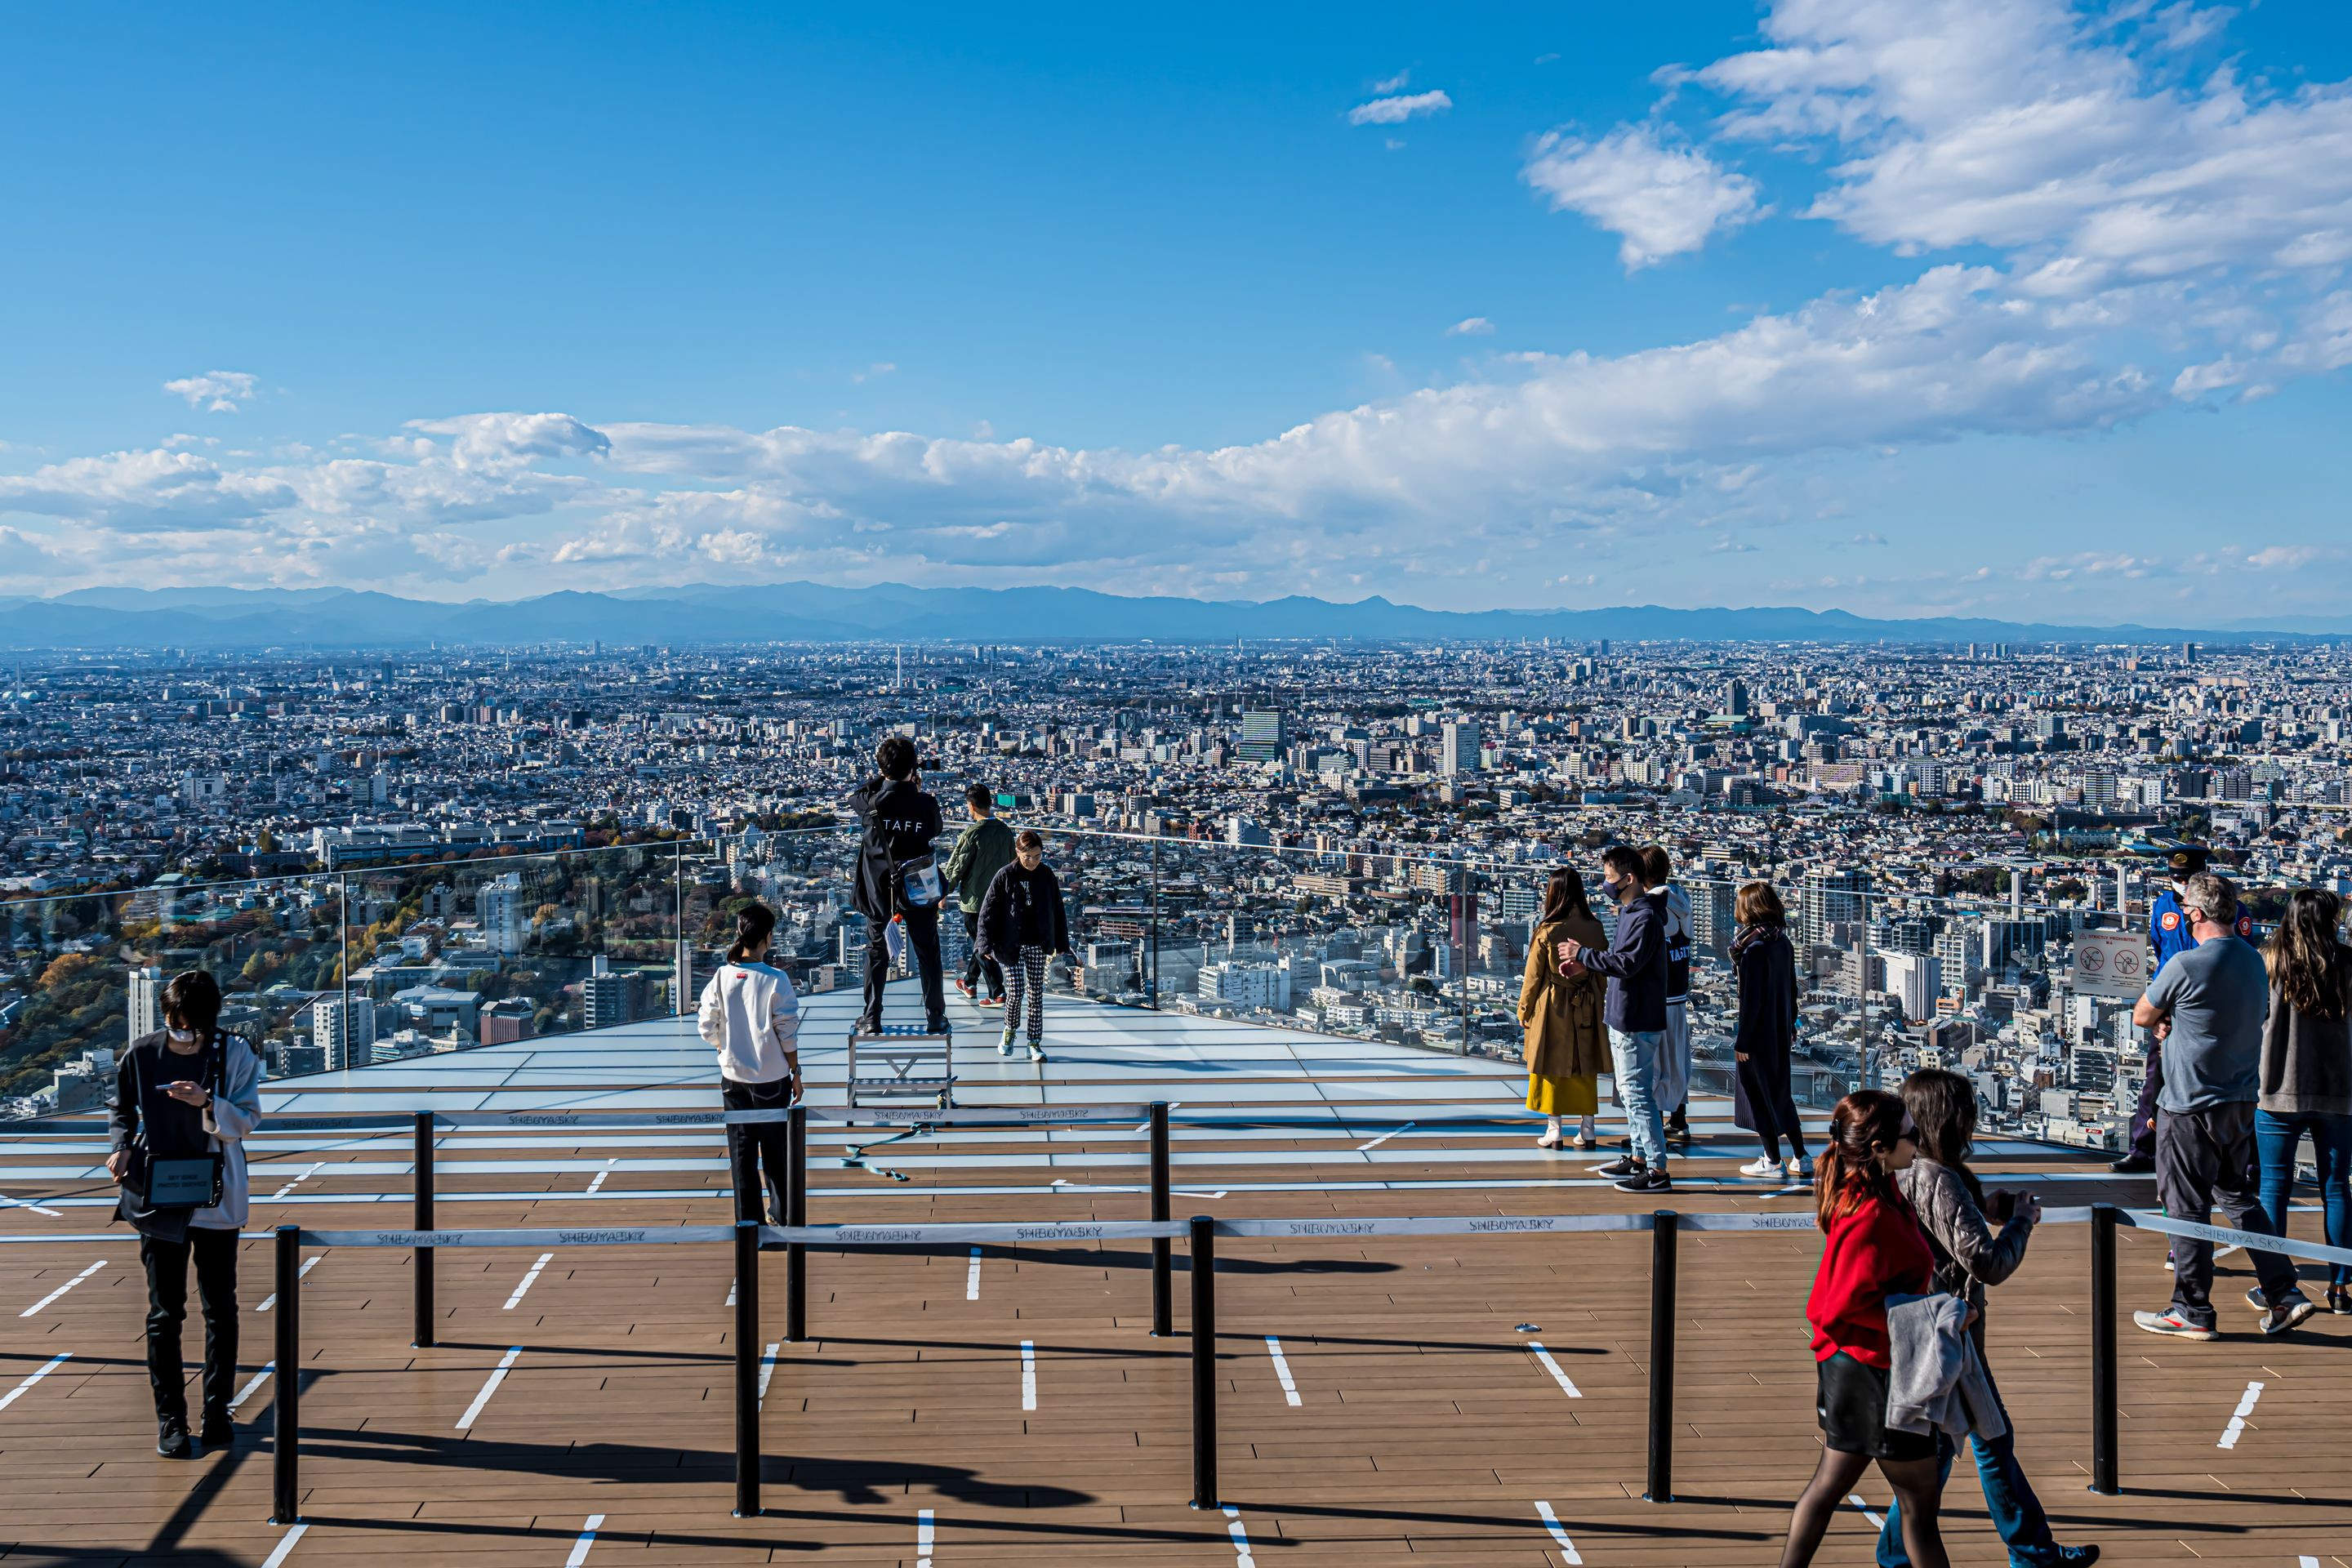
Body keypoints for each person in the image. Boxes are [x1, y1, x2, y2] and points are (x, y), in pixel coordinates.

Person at [1876, 1069, 2100, 1567]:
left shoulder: (1903, 1170)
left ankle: (1901, 1554)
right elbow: (1988, 1264)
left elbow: (1936, 1229)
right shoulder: (1940, 1178)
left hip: (1920, 1325)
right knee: (1984, 1442)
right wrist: (2020, 1222)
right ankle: (2028, 1554)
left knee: (1953, 1446)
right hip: (1951, 1333)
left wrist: (1980, 1207)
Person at [2132, 871, 2315, 1338]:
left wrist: (2168, 1018)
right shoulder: (2255, 961)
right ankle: (2284, 1292)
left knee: (2186, 1207)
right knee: (2238, 1197)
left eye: (2186, 911)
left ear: (2194, 914)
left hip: (2189, 1102)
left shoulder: (2187, 963)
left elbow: (2143, 1013)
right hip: (2240, 1099)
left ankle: (2192, 1310)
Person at [1776, 1089, 1950, 1568]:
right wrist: (1927, 1320)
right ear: (1879, 1149)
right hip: (1877, 1373)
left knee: (1831, 1485)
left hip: (1856, 1367)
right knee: (1919, 1502)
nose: (1918, 1141)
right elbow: (1833, 1306)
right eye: (1912, 1134)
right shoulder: (1870, 1211)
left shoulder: (1871, 1189)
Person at [107, 969, 264, 1459]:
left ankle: (217, 1411)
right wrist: (121, 1147)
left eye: (189, 1026)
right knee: (164, 1312)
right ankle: (171, 1419)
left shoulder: (234, 1052)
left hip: (215, 1193)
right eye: (174, 1023)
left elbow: (247, 1120)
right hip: (159, 1195)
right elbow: (120, 1107)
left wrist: (207, 1102)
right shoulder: (142, 1053)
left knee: (220, 1309)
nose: (181, 1033)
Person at [2255, 888, 2352, 1316]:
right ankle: (2341, 1286)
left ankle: (2276, 1285)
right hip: (2338, 1088)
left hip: (2278, 1086)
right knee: (2337, 1187)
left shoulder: (2268, 961)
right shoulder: (2347, 963)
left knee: (2274, 1187)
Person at [1561, 844, 1670, 1193]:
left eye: (1609, 877)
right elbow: (1619, 958)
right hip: (1624, 1013)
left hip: (1636, 1016)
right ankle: (1639, 1156)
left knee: (1637, 1093)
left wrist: (1582, 953)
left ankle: (1657, 1169)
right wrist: (1586, 965)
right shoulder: (1630, 913)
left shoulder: (1644, 918)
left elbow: (1627, 964)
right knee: (1628, 1090)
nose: (1605, 884)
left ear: (1630, 878)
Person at [697, 903, 801, 1245]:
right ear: (768, 937)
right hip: (771, 1077)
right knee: (775, 1152)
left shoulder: (721, 976)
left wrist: (723, 1047)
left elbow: (706, 1025)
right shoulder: (776, 979)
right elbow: (787, 1033)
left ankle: (749, 1224)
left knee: (741, 1155)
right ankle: (783, 1216)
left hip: (734, 1077)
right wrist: (795, 1071)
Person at [2114, 846, 2211, 1174]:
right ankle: (2143, 1149)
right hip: (2169, 1001)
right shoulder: (2163, 905)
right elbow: (2159, 948)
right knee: (2155, 1077)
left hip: (2206, 1002)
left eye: (2187, 877)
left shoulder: (2222, 905)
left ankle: (2236, 1161)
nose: (2181, 882)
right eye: (2176, 877)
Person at [848, 734, 947, 1035]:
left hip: (880, 891)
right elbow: (936, 829)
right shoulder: (925, 803)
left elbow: (855, 796)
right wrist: (912, 786)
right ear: (913, 768)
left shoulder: (872, 803)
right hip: (918, 887)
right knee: (927, 952)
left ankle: (872, 1017)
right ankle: (935, 1017)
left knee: (876, 952)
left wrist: (885, 778)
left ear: (883, 769)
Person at [1519, 867, 1609, 1150]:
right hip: (1588, 1002)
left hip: (1553, 1004)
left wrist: (1524, 1010)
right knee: (1585, 1065)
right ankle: (1588, 1129)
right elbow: (1602, 972)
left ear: (1553, 894)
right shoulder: (1595, 928)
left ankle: (1554, 1130)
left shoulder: (1548, 930)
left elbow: (1533, 977)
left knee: (1551, 1066)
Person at [1731, 881, 1811, 1181]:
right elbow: (1791, 989)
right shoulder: (1782, 942)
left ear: (1749, 910)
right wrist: (1790, 1025)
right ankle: (1801, 1156)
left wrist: (1743, 1041)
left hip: (1758, 1035)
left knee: (1758, 1096)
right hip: (1779, 1030)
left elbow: (1751, 1001)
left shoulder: (1753, 950)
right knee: (1780, 1094)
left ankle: (1772, 1160)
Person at [978, 829, 1080, 1062]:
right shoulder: (1005, 875)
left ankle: (1034, 1043)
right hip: (1009, 943)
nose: (1032, 861)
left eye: (1037, 856)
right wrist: (985, 945)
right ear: (1018, 852)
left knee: (1036, 993)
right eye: (1027, 857)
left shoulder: (1046, 875)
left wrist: (1062, 943)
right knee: (1015, 992)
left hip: (1037, 942)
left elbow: (1057, 909)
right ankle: (1009, 1031)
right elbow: (988, 911)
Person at [1642, 844, 1695, 1146]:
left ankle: (1654, 1127)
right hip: (1678, 992)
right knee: (1676, 1060)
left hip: (1655, 996)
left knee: (1653, 1064)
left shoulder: (1650, 906)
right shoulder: (1681, 899)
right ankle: (1679, 1120)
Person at [944, 782, 1016, 1007]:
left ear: (971, 806)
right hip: (1000, 900)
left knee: (982, 946)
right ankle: (970, 982)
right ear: (990, 803)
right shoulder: (1005, 831)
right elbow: (1013, 863)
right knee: (981, 943)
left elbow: (957, 867)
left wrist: (943, 892)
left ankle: (998, 992)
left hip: (975, 902)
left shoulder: (972, 833)